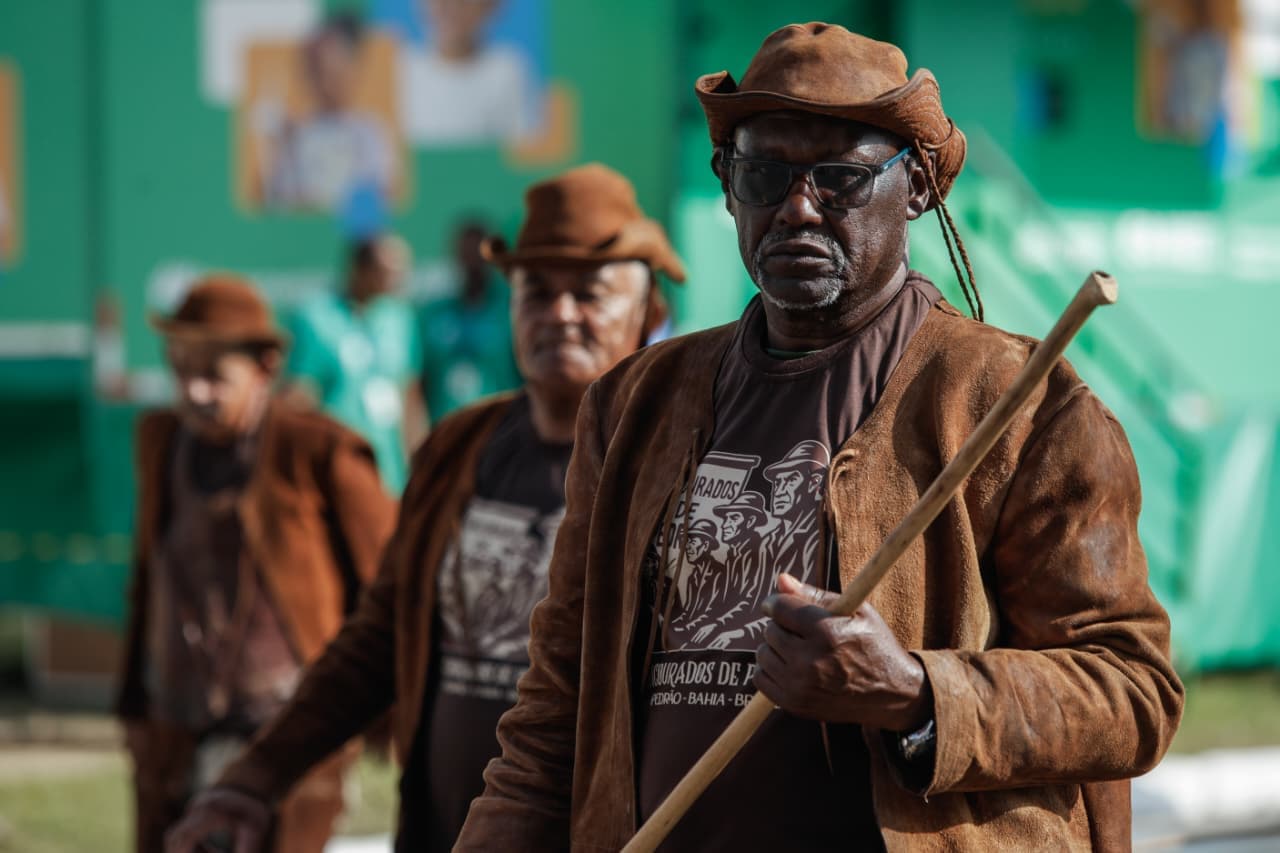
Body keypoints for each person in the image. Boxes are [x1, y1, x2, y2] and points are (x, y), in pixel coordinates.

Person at [456, 23, 1184, 851]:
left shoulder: (1017, 406)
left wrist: (914, 690)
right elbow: (554, 712)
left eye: (839, 177)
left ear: (914, 188)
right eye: (765, 174)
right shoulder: (633, 407)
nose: (797, 207)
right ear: (728, 188)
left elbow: (1133, 689)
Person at [163, 163, 686, 853]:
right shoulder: (459, 446)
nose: (560, 313)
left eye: (589, 293)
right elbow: (377, 638)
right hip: (443, 830)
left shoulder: (677, 462)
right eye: (536, 290)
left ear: (647, 313)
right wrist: (256, 775)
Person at [116, 274, 396, 853]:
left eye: (213, 376)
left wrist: (387, 714)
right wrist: (133, 702)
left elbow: (391, 591)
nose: (192, 392)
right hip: (176, 727)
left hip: (291, 734)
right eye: (180, 371)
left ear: (266, 367)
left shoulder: (322, 451)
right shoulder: (161, 441)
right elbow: (148, 574)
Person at [284, 232, 426, 492]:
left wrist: (419, 458)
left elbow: (408, 394)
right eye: (387, 271)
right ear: (359, 268)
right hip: (334, 469)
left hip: (388, 471)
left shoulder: (400, 318)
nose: (397, 280)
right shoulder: (316, 316)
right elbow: (300, 396)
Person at [261, 14, 396, 211]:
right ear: (308, 76)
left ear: (352, 71)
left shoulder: (369, 130)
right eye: (320, 73)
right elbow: (278, 198)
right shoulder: (295, 135)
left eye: (336, 73)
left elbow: (380, 189)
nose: (328, 84)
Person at [419, 218, 520, 420]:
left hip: (499, 427)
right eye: (466, 253)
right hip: (445, 428)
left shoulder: (511, 309)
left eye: (478, 254)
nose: (472, 262)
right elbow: (420, 381)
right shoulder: (434, 314)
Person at [398, 0, 538, 145]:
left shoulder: (507, 71)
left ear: (492, 6)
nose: (452, 6)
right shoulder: (399, 70)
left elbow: (521, 150)